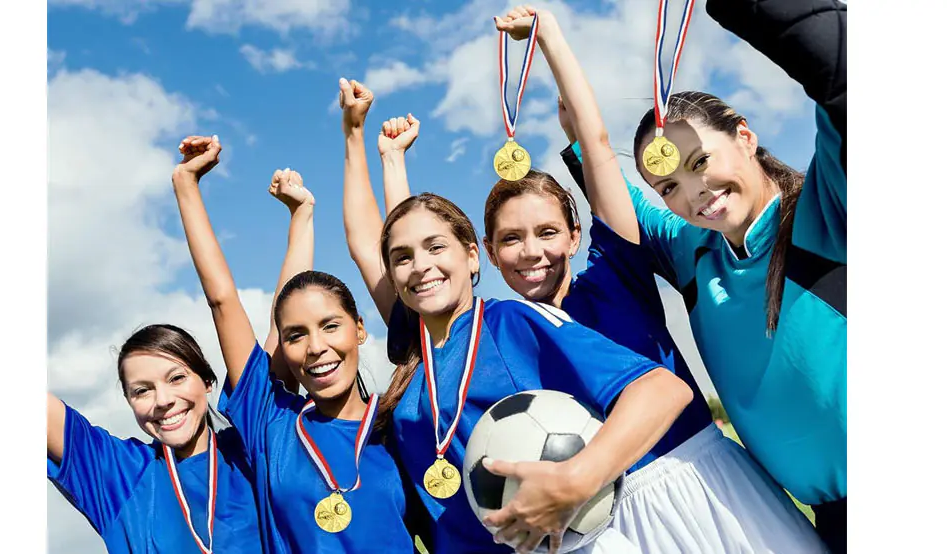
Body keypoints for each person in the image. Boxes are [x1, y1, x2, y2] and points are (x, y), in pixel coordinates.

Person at [476, 6, 831, 553]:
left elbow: (599, 150)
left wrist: (551, 39)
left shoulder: (822, 213)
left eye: (699, 161)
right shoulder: (689, 245)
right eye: (667, 186)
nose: (691, 191)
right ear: (488, 256)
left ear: (576, 233)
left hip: (717, 489)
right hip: (632, 522)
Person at [340, 76, 693, 554]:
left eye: (436, 248)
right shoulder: (415, 351)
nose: (419, 265)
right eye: (403, 259)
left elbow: (662, 388)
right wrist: (361, 140)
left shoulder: (512, 322)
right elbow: (373, 244)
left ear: (472, 256)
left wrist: (577, 479)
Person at [171, 135, 424, 553]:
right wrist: (186, 184)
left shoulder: (402, 421)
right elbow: (221, 299)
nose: (316, 347)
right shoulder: (270, 422)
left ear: (359, 328)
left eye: (330, 326)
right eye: (295, 335)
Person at [46, 323, 265, 554]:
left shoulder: (255, 450)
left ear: (207, 381)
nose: (162, 400)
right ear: (129, 401)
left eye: (177, 378)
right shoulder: (121, 473)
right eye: (142, 391)